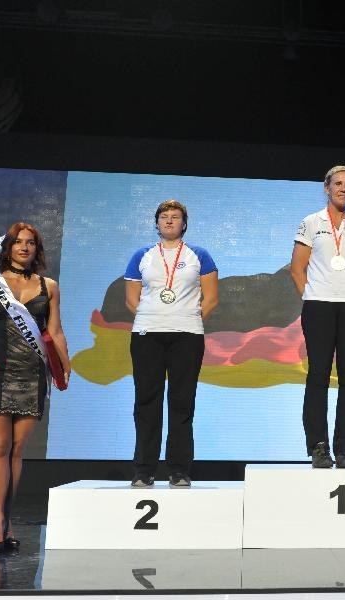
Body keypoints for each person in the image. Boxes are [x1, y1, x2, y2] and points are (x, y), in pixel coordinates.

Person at [0, 222, 71, 555]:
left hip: (33, 373)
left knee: (17, 450)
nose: (24, 247)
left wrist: (64, 366)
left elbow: (55, 331)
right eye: (18, 242)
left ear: (37, 249)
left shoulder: (49, 286)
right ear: (8, 247)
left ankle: (7, 521)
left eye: (30, 242)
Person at [124, 199, 219, 488]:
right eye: (164, 216)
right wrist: (153, 317)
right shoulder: (142, 255)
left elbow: (211, 299)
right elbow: (131, 299)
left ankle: (179, 470)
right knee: (146, 402)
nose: (169, 220)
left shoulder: (199, 255)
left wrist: (187, 318)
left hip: (187, 335)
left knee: (182, 402)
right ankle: (144, 470)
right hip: (147, 335)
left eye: (175, 216)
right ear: (156, 223)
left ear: (184, 223)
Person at [290, 165, 345, 468]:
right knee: (318, 375)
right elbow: (296, 268)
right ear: (327, 188)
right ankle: (318, 447)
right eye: (338, 183)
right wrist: (313, 296)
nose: (343, 189)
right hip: (318, 306)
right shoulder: (311, 222)